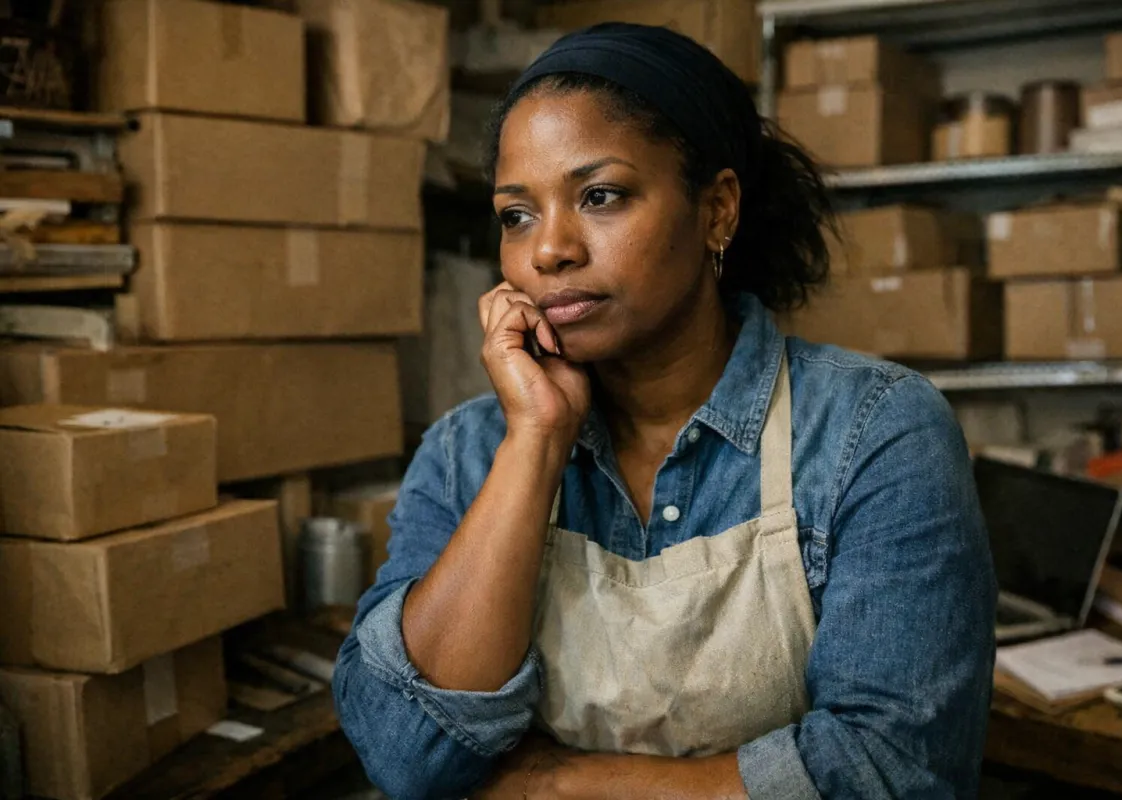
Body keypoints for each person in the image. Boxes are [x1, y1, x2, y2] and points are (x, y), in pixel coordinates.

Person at [334, 22, 996, 800]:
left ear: (717, 211)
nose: (549, 250)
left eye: (600, 196)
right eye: (517, 215)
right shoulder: (469, 450)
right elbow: (405, 755)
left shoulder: (873, 431)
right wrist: (537, 442)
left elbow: (893, 770)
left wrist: (550, 783)